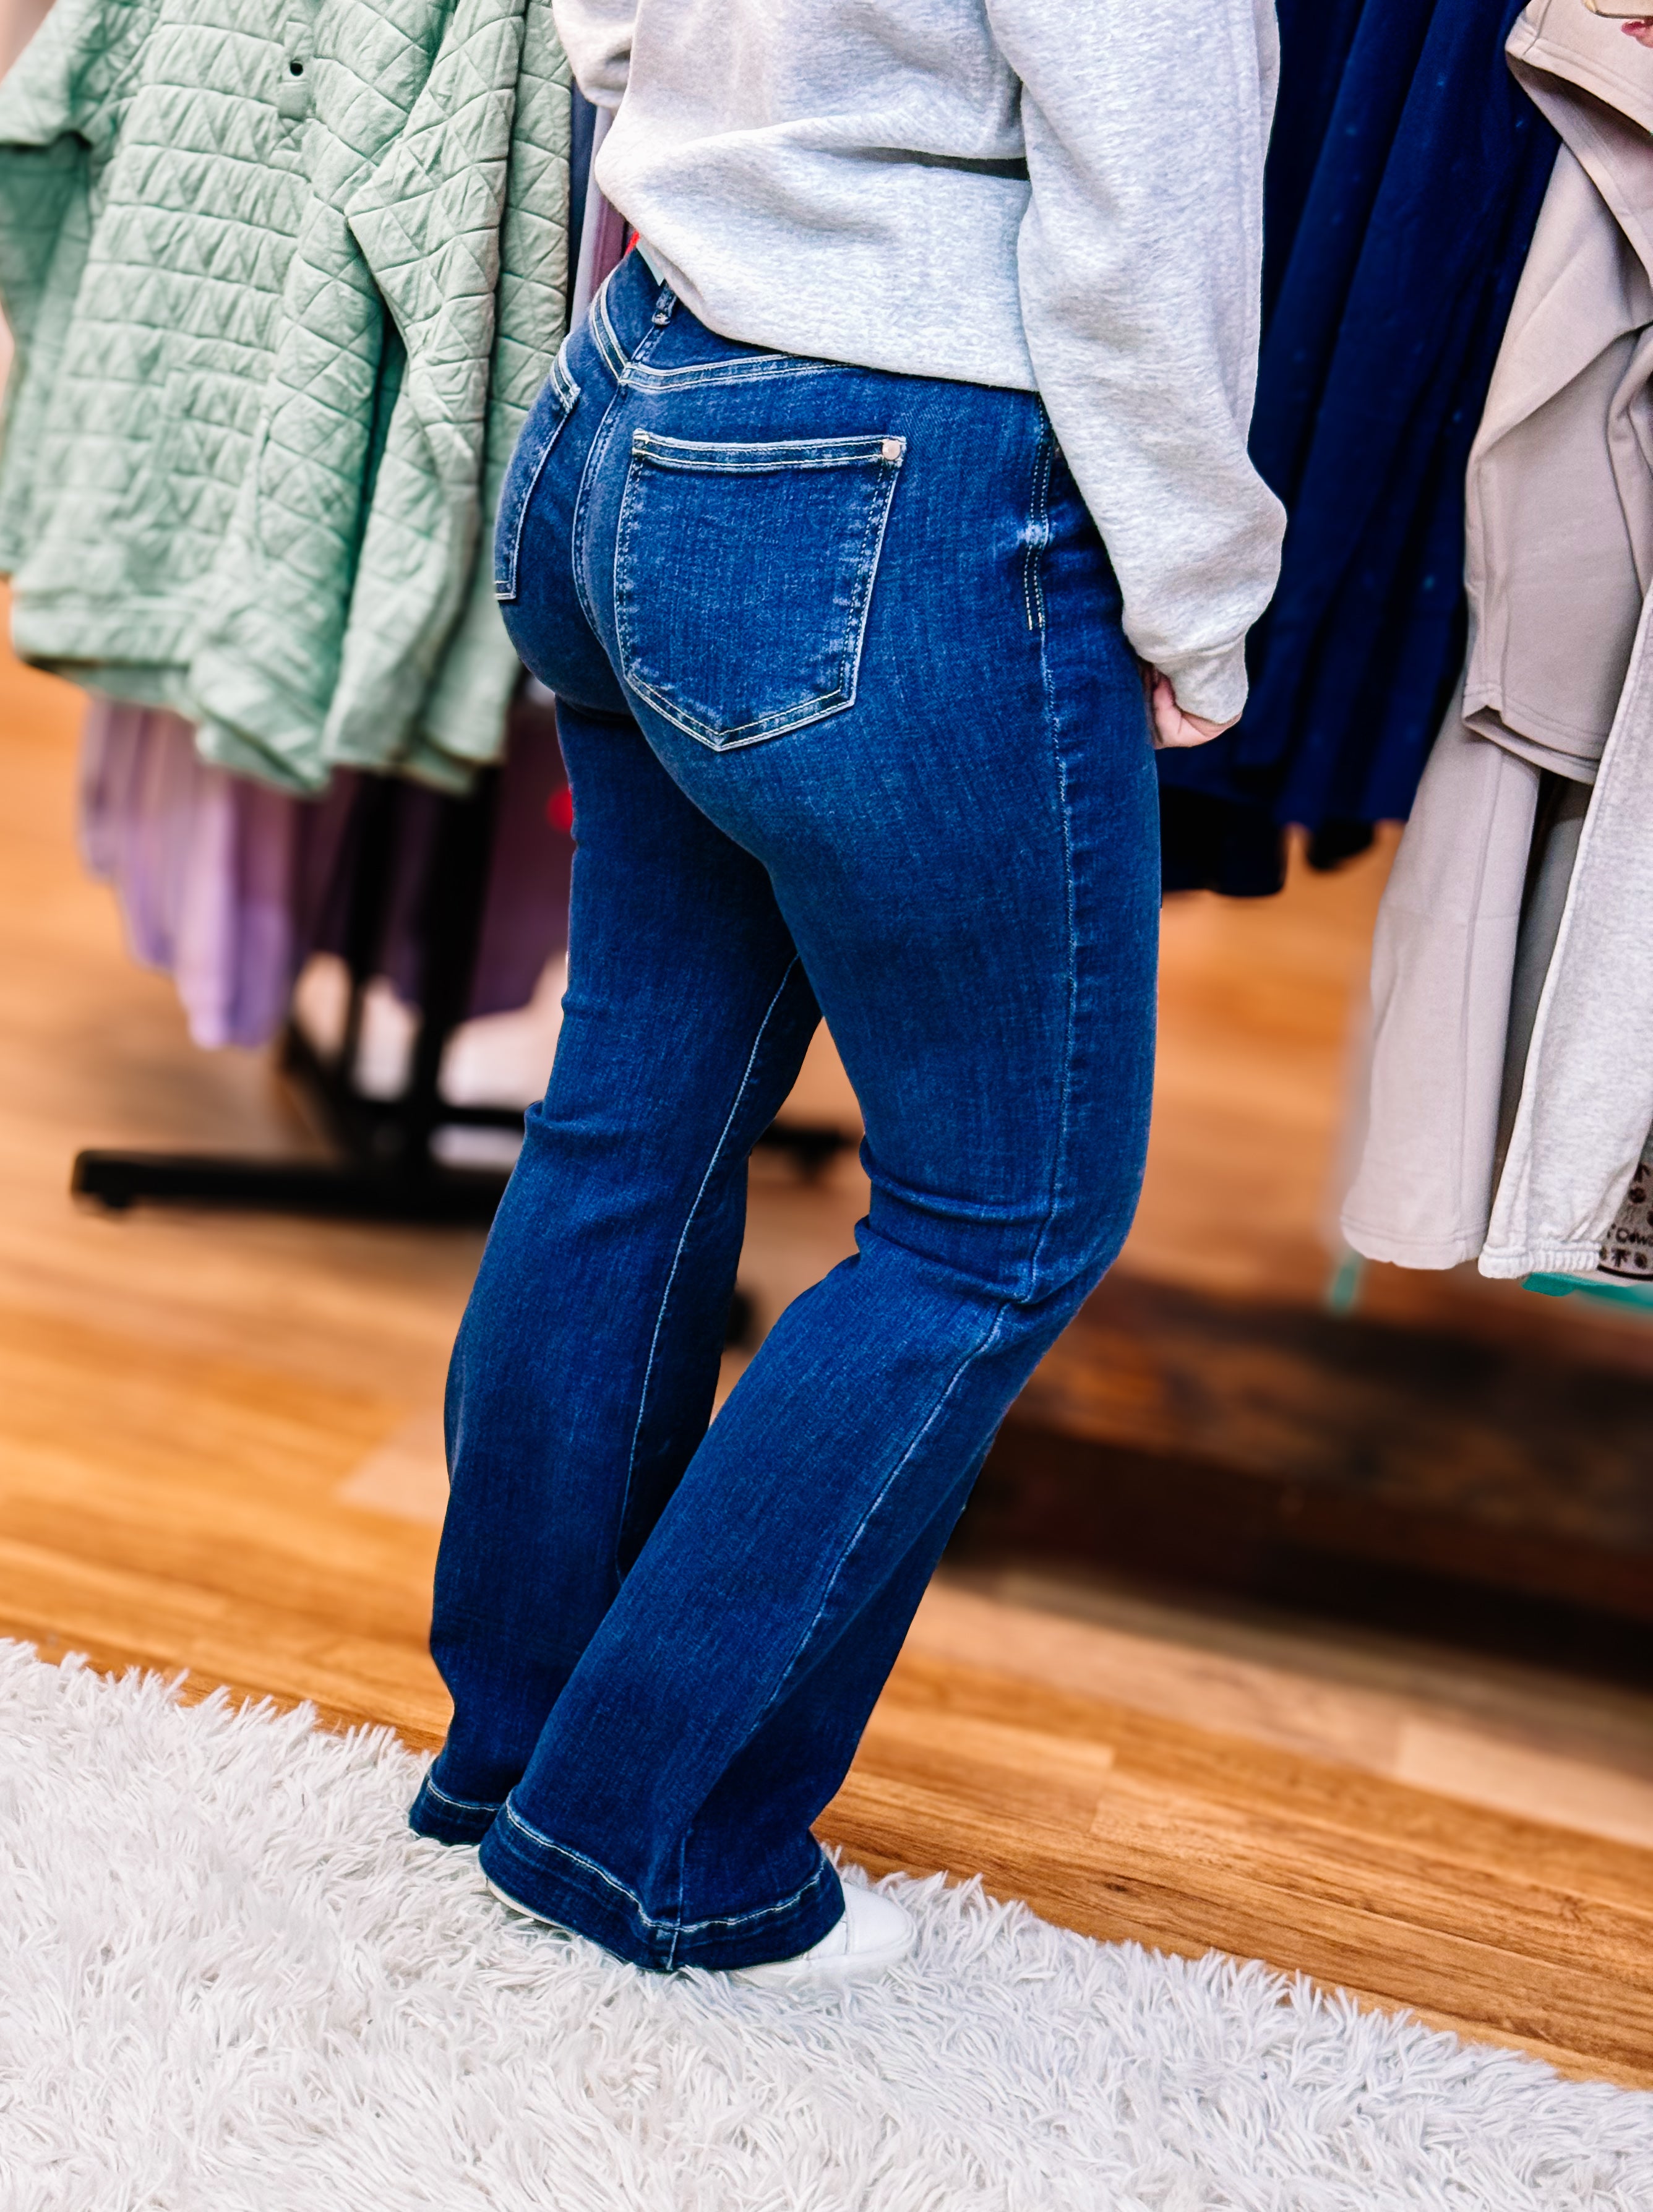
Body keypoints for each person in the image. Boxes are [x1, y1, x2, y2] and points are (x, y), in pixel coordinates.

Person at [409, 0, 1286, 1985]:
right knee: (1003, 1223)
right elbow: (1146, 207)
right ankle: (659, 1841)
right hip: (907, 450)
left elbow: (606, 24)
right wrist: (1202, 592)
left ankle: (527, 1755)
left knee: (634, 1121)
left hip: (644, 383)